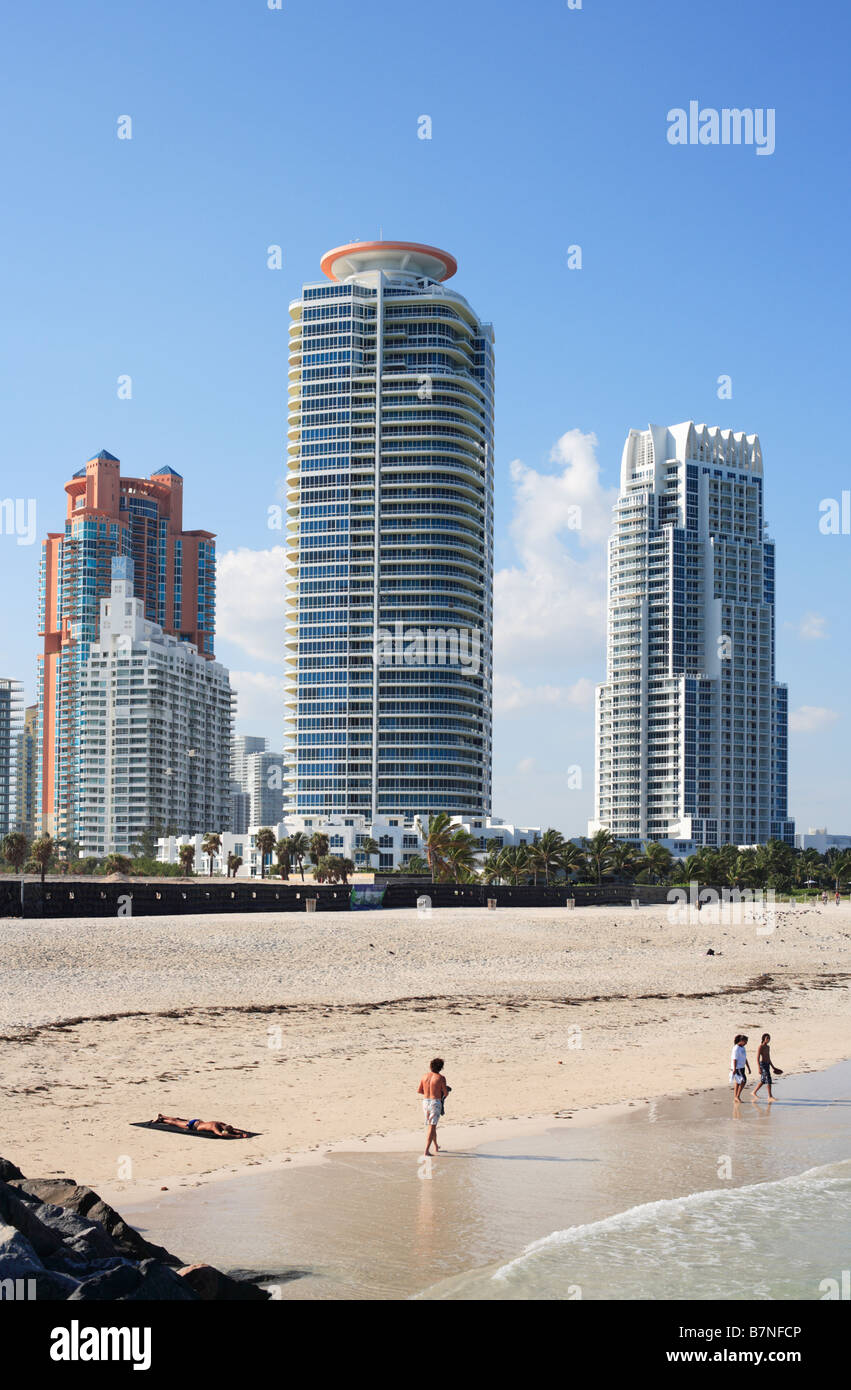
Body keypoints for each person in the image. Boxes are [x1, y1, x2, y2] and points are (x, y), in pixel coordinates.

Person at [417, 1057, 449, 1157]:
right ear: (441, 1068)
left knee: (432, 1125)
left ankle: (435, 1146)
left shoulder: (424, 1076)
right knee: (432, 1126)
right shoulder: (441, 1078)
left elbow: (420, 1091)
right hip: (435, 1102)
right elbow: (446, 1093)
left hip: (425, 1102)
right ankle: (426, 1151)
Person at [154, 1113, 249, 1138]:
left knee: (177, 1120)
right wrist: (237, 1136)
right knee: (176, 1123)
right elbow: (221, 1134)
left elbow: (234, 1129)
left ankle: (163, 1116)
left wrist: (241, 1133)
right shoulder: (214, 1127)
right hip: (193, 1126)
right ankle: (162, 1119)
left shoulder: (220, 1123)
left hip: (198, 1121)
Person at [752, 1034, 783, 1102]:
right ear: (763, 1039)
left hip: (767, 1064)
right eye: (767, 1038)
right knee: (769, 1079)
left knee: (763, 1080)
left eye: (769, 1038)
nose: (768, 1040)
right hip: (762, 1065)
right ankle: (770, 1096)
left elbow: (768, 1058)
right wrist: (759, 1068)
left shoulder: (768, 1047)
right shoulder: (761, 1046)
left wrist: (773, 1067)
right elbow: (757, 1058)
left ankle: (753, 1092)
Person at [729, 1034, 751, 1101]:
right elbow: (734, 1059)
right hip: (737, 1067)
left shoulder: (743, 1048)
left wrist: (748, 1067)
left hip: (742, 1067)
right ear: (741, 1041)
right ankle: (737, 1096)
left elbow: (745, 1058)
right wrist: (734, 1069)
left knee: (738, 1082)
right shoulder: (736, 1048)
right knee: (744, 1080)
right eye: (745, 1041)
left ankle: (736, 1097)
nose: (746, 1043)